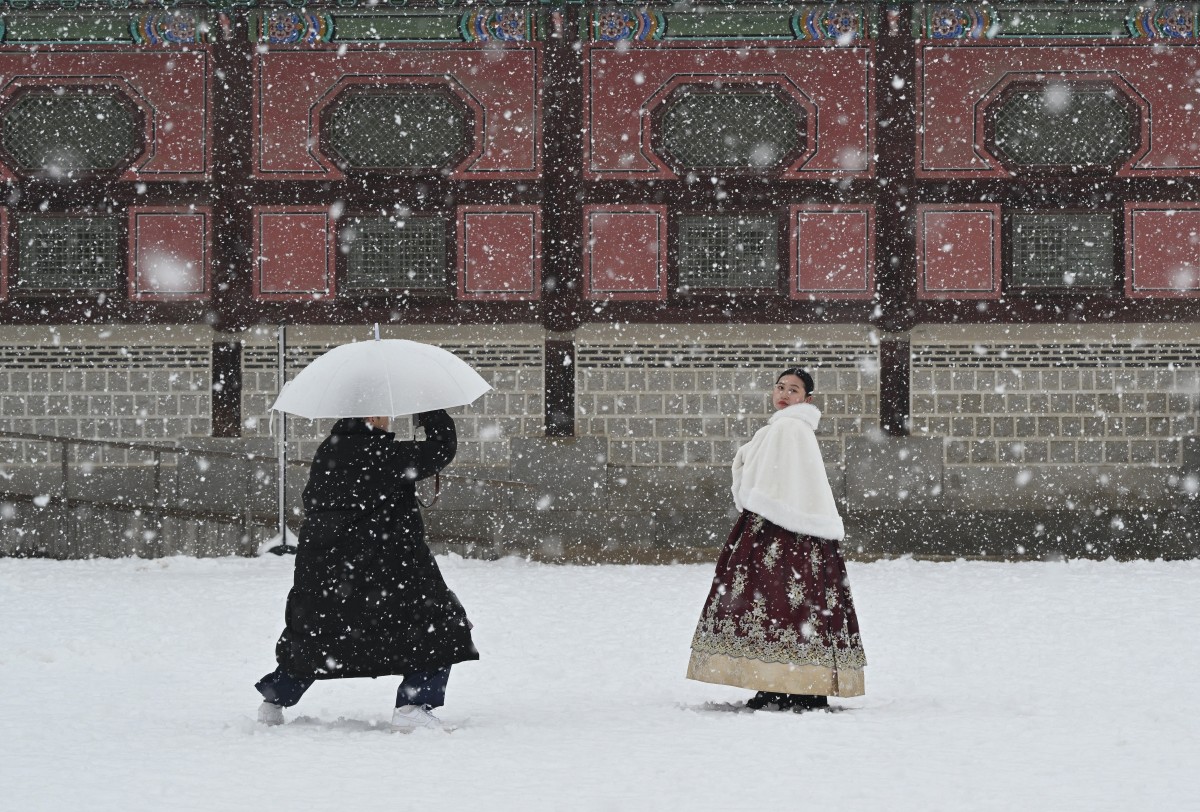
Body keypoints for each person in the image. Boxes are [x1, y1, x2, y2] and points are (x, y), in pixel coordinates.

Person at [255, 410, 477, 731]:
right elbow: (441, 449)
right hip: (385, 569)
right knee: (440, 627)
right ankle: (413, 706)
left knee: (318, 638)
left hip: (328, 571)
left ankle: (273, 700)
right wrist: (431, 413)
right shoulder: (382, 453)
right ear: (371, 415)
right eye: (384, 413)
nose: (389, 418)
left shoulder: (329, 450)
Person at [686, 367, 866, 711]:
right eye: (780, 387)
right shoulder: (787, 428)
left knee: (771, 603)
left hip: (777, 531)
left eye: (793, 390)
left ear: (807, 399)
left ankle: (779, 683)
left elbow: (769, 480)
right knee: (795, 605)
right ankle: (795, 683)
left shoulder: (788, 428)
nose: (784, 394)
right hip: (796, 534)